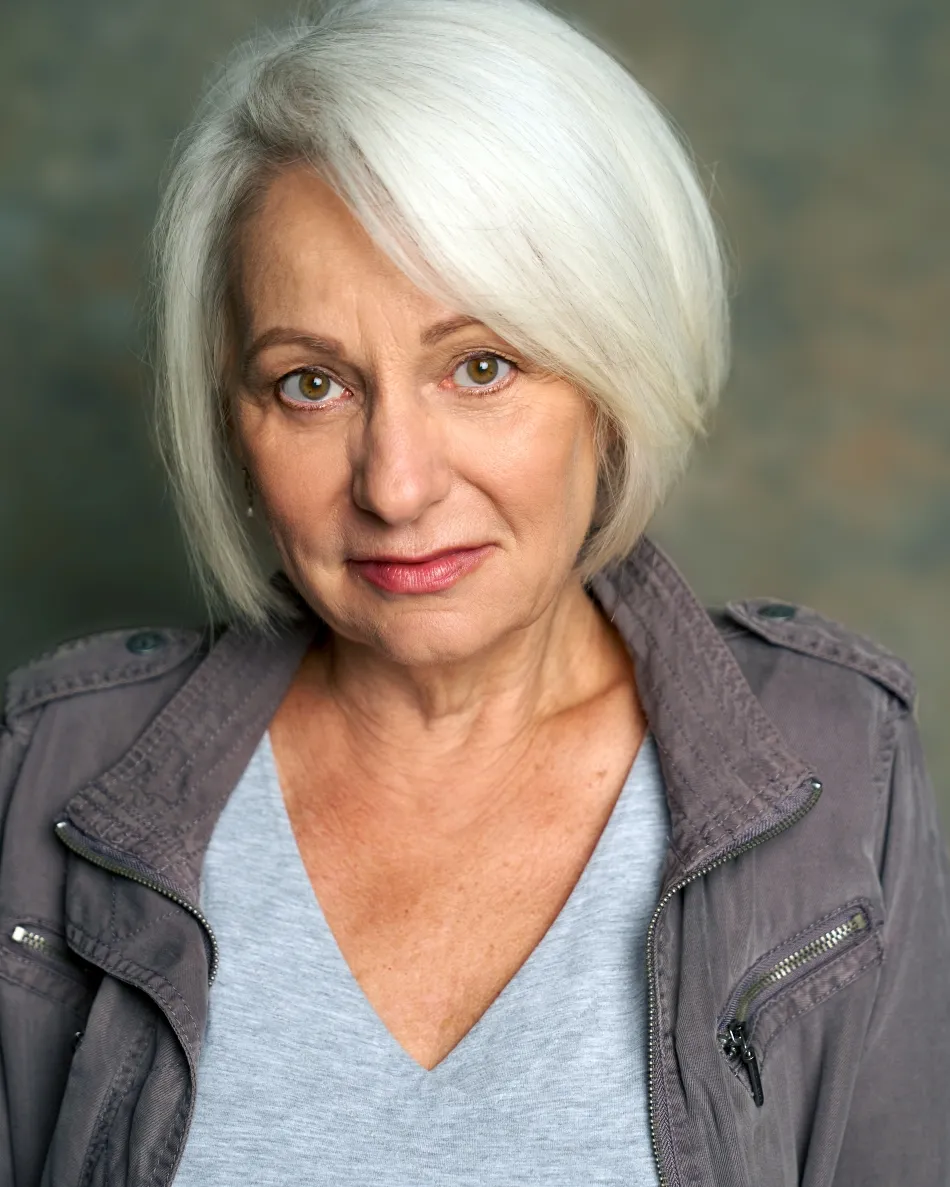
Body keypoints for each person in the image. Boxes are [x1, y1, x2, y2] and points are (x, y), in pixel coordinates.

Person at [2, 0, 948, 1183]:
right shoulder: (46, 777)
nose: (396, 485)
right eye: (309, 384)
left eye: (480, 366)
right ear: (231, 424)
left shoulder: (834, 774)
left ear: (612, 375)